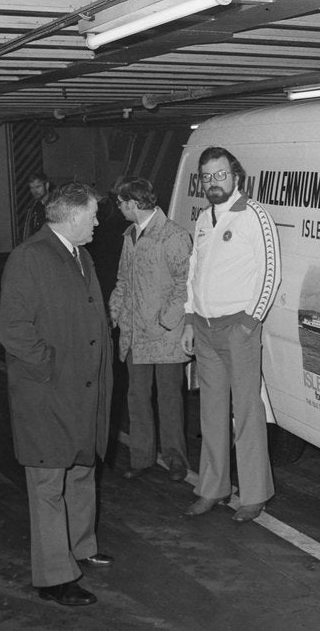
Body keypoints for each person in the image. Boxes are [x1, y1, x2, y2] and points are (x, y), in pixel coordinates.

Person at [0, 182, 114, 607]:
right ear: (70, 216)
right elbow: (13, 329)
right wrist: (50, 367)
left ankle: (82, 546)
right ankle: (53, 577)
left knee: (82, 467)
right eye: (92, 215)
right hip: (48, 392)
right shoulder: (30, 257)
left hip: (82, 388)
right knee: (48, 481)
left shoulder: (79, 254)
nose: (99, 222)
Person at [181, 146, 281, 523]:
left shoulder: (254, 215)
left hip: (238, 329)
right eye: (207, 177)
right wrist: (190, 318)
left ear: (235, 176)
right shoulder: (204, 218)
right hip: (204, 330)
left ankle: (254, 494)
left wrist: (249, 322)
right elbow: (194, 271)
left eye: (220, 175)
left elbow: (270, 272)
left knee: (247, 412)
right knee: (211, 414)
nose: (214, 183)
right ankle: (213, 488)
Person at [109, 177, 192, 483]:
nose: (118, 207)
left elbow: (185, 285)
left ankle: (176, 460)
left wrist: (164, 322)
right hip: (135, 335)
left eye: (121, 202)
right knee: (137, 396)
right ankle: (142, 458)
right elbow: (122, 282)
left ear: (135, 203)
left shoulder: (173, 236)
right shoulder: (129, 236)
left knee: (169, 399)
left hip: (165, 336)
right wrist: (113, 314)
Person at [21, 172, 53, 241]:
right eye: (31, 188)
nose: (34, 191)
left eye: (38, 187)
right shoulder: (32, 207)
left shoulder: (56, 205)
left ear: (47, 186)